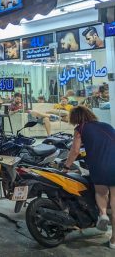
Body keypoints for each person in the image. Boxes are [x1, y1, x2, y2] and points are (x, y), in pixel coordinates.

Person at [63, 106, 115, 249]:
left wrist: (66, 167)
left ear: (75, 118)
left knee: (101, 192)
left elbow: (74, 150)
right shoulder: (107, 125)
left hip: (99, 165)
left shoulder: (80, 129)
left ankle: (103, 214)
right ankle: (113, 241)